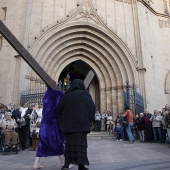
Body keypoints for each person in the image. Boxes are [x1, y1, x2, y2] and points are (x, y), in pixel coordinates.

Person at [58, 79, 95, 170]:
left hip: (69, 126)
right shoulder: (85, 94)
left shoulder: (66, 96)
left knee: (69, 146)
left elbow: (59, 109)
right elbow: (91, 107)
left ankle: (66, 165)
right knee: (81, 146)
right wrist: (90, 120)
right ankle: (81, 166)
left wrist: (64, 121)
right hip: (81, 125)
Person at [33, 89, 65, 169]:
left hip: (45, 122)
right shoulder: (58, 94)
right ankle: (63, 164)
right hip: (54, 122)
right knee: (58, 142)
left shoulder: (46, 95)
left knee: (42, 143)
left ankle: (36, 164)